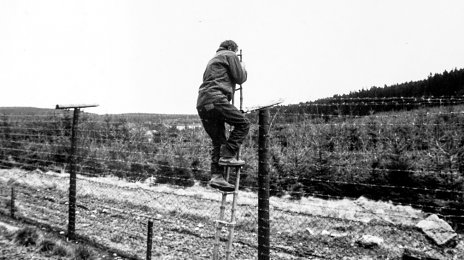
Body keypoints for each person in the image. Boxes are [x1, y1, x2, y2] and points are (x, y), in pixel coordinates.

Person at [196, 40, 250, 192]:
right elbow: (240, 78)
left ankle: (217, 176)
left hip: (202, 102)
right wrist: (242, 66)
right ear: (232, 48)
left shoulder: (213, 59)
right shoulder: (229, 54)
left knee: (218, 140)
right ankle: (228, 154)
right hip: (217, 98)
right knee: (243, 123)